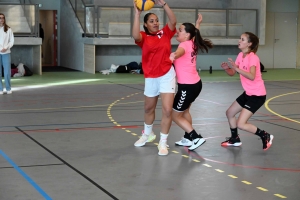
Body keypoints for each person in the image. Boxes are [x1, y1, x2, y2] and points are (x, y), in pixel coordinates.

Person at [132, 0, 177, 156]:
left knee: (166, 110)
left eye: (157, 20)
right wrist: (137, 14)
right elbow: (134, 35)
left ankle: (163, 142)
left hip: (167, 74)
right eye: (152, 21)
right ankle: (147, 134)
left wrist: (164, 5)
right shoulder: (143, 37)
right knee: (148, 108)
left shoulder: (165, 32)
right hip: (151, 77)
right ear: (146, 25)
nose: (156, 23)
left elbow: (173, 21)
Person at [220, 32, 274, 150]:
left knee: (241, 123)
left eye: (242, 39)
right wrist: (228, 69)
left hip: (257, 95)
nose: (239, 41)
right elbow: (233, 73)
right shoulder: (240, 55)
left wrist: (236, 68)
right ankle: (235, 139)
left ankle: (265, 135)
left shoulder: (253, 58)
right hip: (248, 93)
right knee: (229, 113)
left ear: (249, 44)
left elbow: (252, 76)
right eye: (240, 38)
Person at [169, 14, 213, 150]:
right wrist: (197, 24)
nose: (177, 31)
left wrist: (173, 55)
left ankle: (195, 137)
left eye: (180, 30)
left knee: (175, 115)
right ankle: (188, 138)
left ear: (187, 35)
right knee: (185, 111)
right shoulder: (193, 42)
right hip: (196, 84)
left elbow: (180, 52)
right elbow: (195, 33)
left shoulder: (184, 45)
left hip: (187, 87)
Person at [0, 13, 14, 94]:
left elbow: (11, 41)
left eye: (3, 18)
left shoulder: (8, 29)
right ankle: (0, 89)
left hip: (6, 52)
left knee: (7, 72)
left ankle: (8, 88)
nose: (1, 19)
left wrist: (6, 48)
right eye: (0, 18)